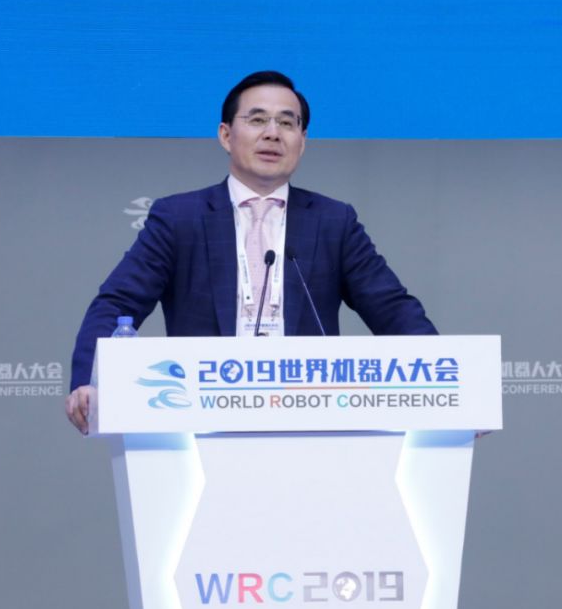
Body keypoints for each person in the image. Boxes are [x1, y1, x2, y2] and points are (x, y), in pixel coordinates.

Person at [65, 71, 436, 433]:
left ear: (303, 140)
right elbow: (118, 302)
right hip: (200, 414)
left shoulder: (333, 221)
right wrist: (90, 379)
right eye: (257, 120)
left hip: (308, 414)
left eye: (287, 123)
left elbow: (392, 308)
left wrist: (445, 381)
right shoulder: (180, 218)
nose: (272, 133)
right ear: (226, 135)